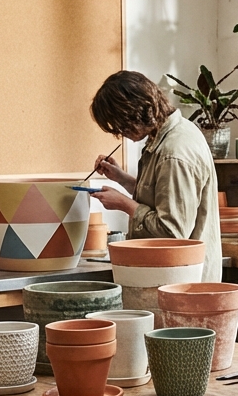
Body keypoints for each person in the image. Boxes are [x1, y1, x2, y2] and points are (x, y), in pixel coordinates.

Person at [88, 70, 223, 283]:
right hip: (175, 277)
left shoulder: (174, 152)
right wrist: (122, 179)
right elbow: (163, 198)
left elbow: (172, 233)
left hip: (182, 284)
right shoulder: (176, 133)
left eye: (123, 124)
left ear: (143, 109)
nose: (122, 133)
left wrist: (124, 204)